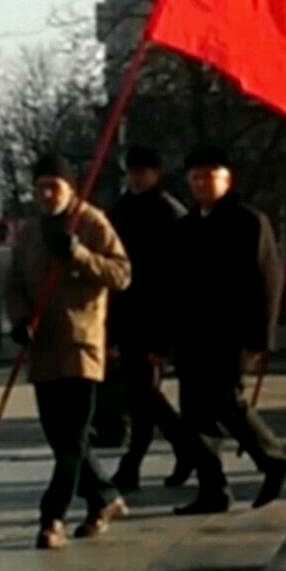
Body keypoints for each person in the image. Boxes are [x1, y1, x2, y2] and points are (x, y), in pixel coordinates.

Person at [161, 146, 286, 515]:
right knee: (194, 415)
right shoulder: (185, 227)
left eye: (210, 175)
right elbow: (172, 286)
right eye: (195, 177)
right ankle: (212, 488)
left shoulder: (248, 222)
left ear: (227, 179)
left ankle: (275, 460)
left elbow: (268, 282)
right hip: (192, 336)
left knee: (228, 403)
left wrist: (260, 339)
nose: (202, 183)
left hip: (230, 333)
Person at [6, 154, 131, 550]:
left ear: (71, 187)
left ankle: (52, 516)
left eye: (53, 187)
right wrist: (20, 318)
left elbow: (121, 274)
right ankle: (104, 497)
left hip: (80, 345)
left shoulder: (91, 222)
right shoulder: (28, 232)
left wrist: (79, 254)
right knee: (61, 438)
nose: (46, 195)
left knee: (74, 437)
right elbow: (13, 283)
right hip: (43, 347)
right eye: (40, 187)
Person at [107, 146, 193, 492]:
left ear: (156, 174)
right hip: (127, 316)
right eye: (132, 171)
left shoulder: (169, 213)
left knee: (144, 393)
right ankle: (167, 453)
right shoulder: (119, 211)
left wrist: (164, 338)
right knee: (142, 396)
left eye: (143, 171)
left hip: (157, 316)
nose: (137, 177)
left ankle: (175, 450)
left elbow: (176, 278)